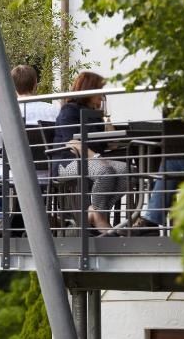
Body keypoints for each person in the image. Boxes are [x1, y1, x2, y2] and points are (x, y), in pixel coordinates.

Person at [0, 65, 58, 236]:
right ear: (36, 84)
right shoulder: (53, 110)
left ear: (11, 87)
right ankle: (19, 221)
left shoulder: (6, 111)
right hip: (49, 173)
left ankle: (0, 219)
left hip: (17, 174)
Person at [53, 71, 128, 233]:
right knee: (106, 171)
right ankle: (97, 218)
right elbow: (73, 143)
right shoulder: (69, 110)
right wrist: (98, 158)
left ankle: (94, 213)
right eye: (100, 92)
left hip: (92, 161)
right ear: (89, 90)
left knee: (128, 171)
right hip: (67, 163)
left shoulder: (95, 115)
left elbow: (113, 144)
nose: (102, 97)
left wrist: (106, 117)